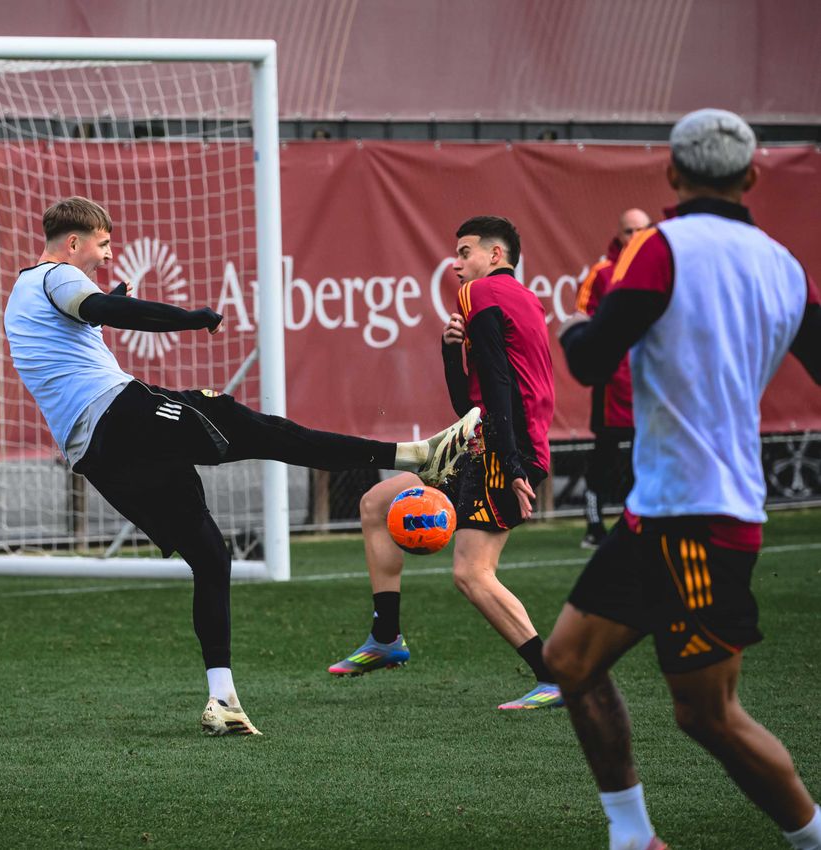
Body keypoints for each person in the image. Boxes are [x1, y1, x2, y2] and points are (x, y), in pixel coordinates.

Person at [3, 196, 482, 736]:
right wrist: (189, 318)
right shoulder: (55, 277)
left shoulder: (26, 294)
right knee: (261, 430)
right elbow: (102, 310)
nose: (109, 255)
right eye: (104, 244)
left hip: (98, 457)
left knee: (210, 555)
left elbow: (86, 319)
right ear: (73, 243)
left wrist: (110, 301)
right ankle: (417, 455)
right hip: (123, 416)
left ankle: (222, 698)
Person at [546, 108, 821, 850]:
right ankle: (632, 837)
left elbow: (592, 358)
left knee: (708, 714)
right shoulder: (782, 263)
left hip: (696, 519)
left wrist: (568, 328)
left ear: (671, 175)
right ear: (752, 176)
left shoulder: (658, 248)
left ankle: (812, 835)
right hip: (662, 511)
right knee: (568, 660)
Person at [328, 216, 563, 711]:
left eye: (465, 252)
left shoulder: (482, 293)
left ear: (495, 256)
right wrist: (448, 349)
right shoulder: (519, 300)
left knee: (473, 574)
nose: (456, 264)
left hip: (500, 448)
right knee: (376, 504)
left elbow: (500, 384)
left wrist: (515, 464)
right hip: (483, 440)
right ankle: (387, 639)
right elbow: (472, 402)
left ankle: (557, 677)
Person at [575, 208, 651, 548]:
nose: (635, 236)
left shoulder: (658, 270)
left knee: (643, 457)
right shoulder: (603, 272)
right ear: (618, 235)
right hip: (612, 384)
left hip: (648, 384)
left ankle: (631, 523)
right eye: (629, 230)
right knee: (604, 455)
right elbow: (582, 318)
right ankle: (594, 523)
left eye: (642, 230)